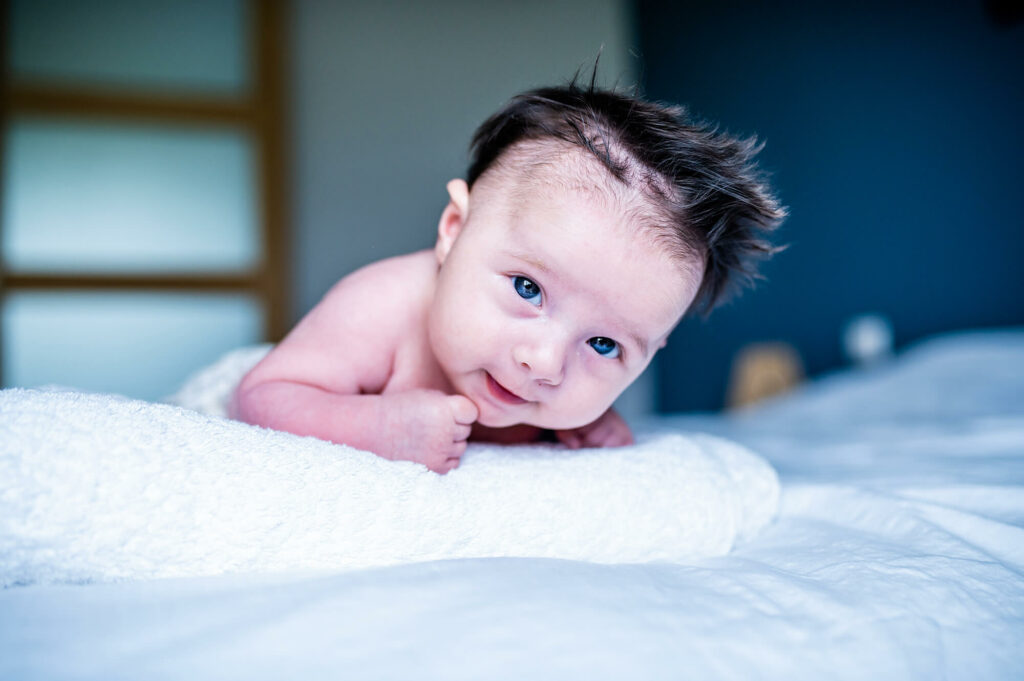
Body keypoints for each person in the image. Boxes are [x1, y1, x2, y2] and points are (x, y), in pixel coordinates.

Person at [231, 81, 786, 473]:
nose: (544, 364)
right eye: (528, 289)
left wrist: (591, 430)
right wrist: (376, 426)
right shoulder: (385, 303)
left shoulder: (555, 390)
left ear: (652, 351)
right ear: (453, 229)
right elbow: (261, 397)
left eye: (602, 343)